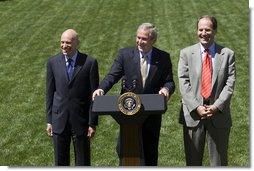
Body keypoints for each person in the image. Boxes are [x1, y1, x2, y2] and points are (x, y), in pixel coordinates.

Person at [92, 23, 175, 166]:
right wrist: (101, 89)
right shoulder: (125, 55)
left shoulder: (162, 57)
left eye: (144, 39)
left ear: (153, 40)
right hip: (128, 114)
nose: (140, 41)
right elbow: (112, 76)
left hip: (151, 114)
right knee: (125, 150)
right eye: (138, 37)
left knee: (150, 152)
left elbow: (169, 82)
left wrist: (166, 89)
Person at [178, 15, 236, 166]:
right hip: (193, 115)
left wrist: (217, 106)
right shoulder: (186, 53)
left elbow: (230, 83)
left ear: (215, 31)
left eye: (208, 29)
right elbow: (184, 82)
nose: (203, 33)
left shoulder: (227, 54)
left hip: (218, 114)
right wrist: (196, 106)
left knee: (219, 163)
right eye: (200, 29)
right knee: (192, 162)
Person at [46, 29, 99, 166]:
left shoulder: (89, 63)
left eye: (68, 43)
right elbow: (50, 93)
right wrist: (49, 120)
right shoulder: (52, 62)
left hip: (81, 121)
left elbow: (94, 96)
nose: (64, 46)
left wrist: (92, 122)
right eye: (62, 42)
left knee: (83, 163)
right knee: (60, 163)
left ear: (77, 43)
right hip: (59, 120)